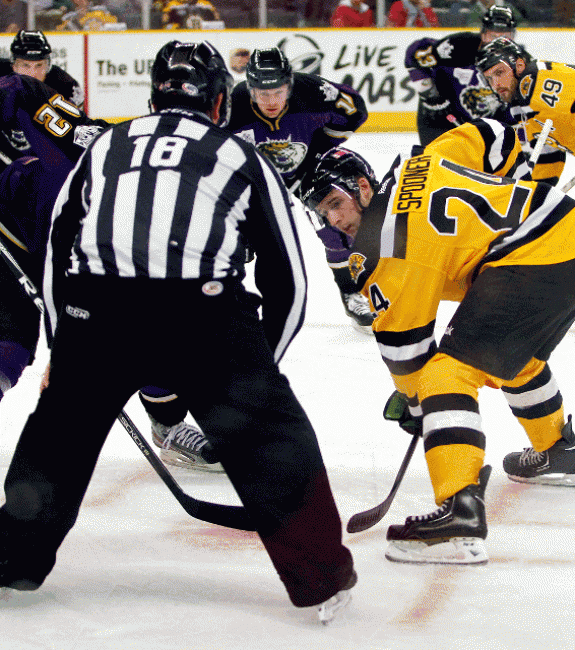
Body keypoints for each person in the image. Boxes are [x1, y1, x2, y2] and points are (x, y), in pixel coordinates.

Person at [0, 40, 356, 621]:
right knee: (272, 439)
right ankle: (320, 577)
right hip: (204, 314)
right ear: (220, 102)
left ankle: (12, 559)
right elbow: (287, 273)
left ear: (152, 96)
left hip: (98, 310)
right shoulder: (239, 154)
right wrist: (261, 372)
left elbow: (57, 250)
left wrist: (65, 350)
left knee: (56, 438)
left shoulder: (108, 141)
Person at [298, 118, 575, 565]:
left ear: (364, 187)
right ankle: (558, 450)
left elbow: (407, 353)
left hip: (535, 253)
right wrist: (515, 171)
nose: (335, 219)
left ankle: (459, 514)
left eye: (336, 203)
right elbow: (488, 132)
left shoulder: (390, 243)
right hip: (560, 233)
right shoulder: (419, 161)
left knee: (445, 374)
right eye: (323, 212)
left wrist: (416, 407)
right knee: (504, 353)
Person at [0, 71, 221, 472]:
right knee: (11, 336)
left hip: (70, 262)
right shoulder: (96, 144)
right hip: (13, 222)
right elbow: (20, 89)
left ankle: (167, 427)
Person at [227, 47, 373, 333]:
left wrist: (318, 147)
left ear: (290, 85)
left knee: (335, 210)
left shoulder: (314, 90)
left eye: (278, 92)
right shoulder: (232, 106)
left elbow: (355, 110)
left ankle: (351, 291)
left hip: (304, 170)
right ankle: (223, 301)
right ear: (250, 89)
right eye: (262, 94)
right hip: (250, 179)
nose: (271, 101)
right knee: (235, 246)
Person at [405, 4, 516, 146]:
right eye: (493, 35)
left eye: (505, 36)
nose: (498, 42)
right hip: (438, 120)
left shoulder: (517, 62)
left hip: (479, 128)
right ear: (482, 33)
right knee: (436, 164)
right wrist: (430, 93)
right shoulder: (459, 45)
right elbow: (415, 55)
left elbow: (516, 106)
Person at [476, 36, 574, 187]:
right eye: (489, 79)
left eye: (499, 72)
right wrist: (537, 197)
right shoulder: (520, 108)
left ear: (520, 65)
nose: (495, 85)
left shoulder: (534, 80)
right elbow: (547, 155)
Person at [0, 30, 84, 171]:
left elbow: (74, 134)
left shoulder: (66, 86)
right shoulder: (2, 76)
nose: (32, 73)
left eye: (39, 65)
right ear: (13, 64)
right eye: (25, 65)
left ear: (48, 65)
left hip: (43, 157)